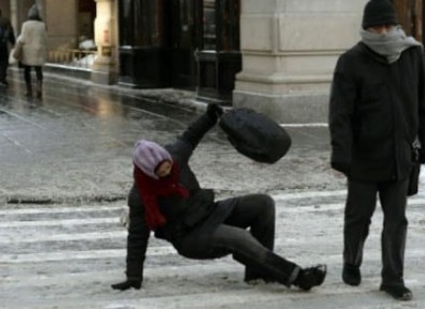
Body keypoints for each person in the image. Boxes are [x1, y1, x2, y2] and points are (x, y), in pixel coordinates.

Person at [111, 104, 327, 292]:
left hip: (209, 211)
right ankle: (298, 277)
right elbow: (137, 238)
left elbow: (190, 136)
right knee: (239, 238)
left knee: (263, 203)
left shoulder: (175, 156)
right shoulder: (140, 196)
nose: (168, 171)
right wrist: (133, 277)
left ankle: (258, 273)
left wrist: (210, 116)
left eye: (168, 166)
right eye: (161, 171)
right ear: (149, 172)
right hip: (190, 236)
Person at [328, 0, 425, 301]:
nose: (384, 33)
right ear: (367, 29)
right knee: (358, 217)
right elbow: (340, 114)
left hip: (400, 157)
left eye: (389, 25)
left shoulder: (412, 55)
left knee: (396, 221)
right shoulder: (351, 61)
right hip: (363, 158)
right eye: (377, 28)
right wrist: (342, 153)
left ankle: (393, 278)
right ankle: (352, 260)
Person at [17, 4, 47, 98]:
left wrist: (19, 43)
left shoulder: (25, 25)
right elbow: (45, 38)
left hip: (28, 51)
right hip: (39, 50)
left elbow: (23, 38)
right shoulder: (42, 25)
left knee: (27, 70)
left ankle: (28, 89)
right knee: (38, 70)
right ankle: (39, 89)